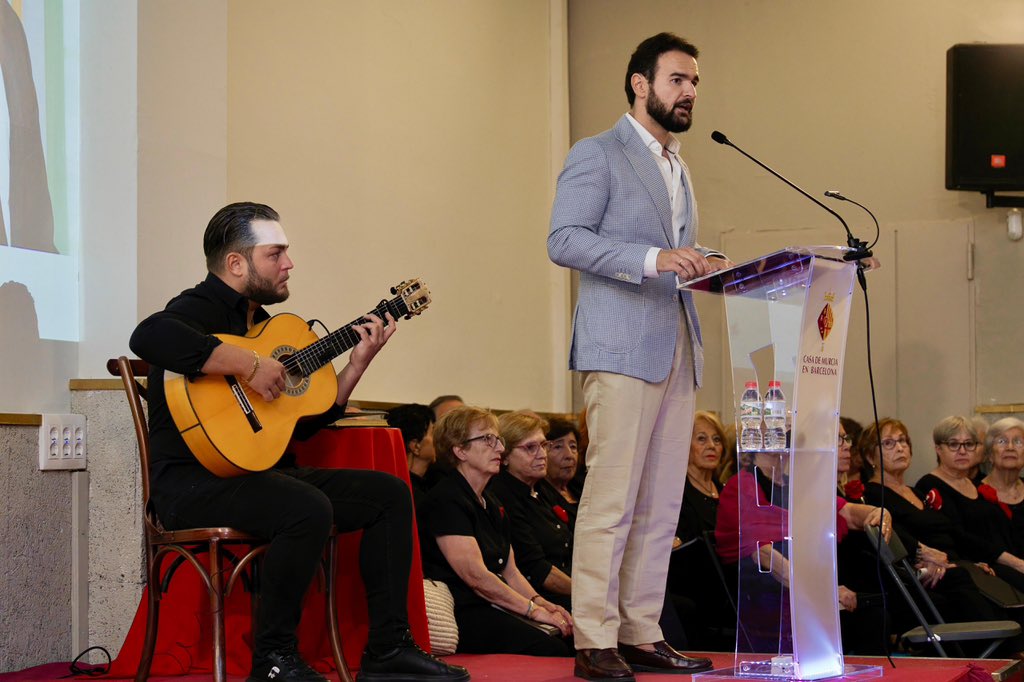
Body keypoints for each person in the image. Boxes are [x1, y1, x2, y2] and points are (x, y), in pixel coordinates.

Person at [129, 202, 469, 682]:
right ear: (235, 264)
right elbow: (148, 335)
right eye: (276, 254)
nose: (289, 264)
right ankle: (273, 658)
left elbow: (296, 422)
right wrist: (248, 365)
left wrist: (355, 365)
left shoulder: (264, 323)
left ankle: (388, 650)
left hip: (258, 475)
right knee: (304, 506)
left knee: (388, 494)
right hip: (191, 485)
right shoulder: (201, 306)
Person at [547, 32, 730, 680]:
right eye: (678, 79)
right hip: (621, 344)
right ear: (640, 83)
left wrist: (708, 264)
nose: (690, 93)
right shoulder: (597, 153)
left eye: (695, 82)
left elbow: (674, 252)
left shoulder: (678, 164)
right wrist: (655, 259)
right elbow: (564, 239)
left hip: (677, 344)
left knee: (659, 502)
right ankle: (593, 639)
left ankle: (641, 631)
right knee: (613, 498)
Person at [417, 406, 573, 656]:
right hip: (462, 611)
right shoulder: (446, 499)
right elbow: (476, 577)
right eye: (487, 439)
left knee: (571, 638)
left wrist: (543, 603)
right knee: (553, 648)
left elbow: (510, 570)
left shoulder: (491, 500)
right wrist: (534, 611)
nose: (500, 448)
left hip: (492, 604)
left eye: (498, 439)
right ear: (459, 450)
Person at [489, 411, 574, 608]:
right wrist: (590, 593)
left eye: (544, 445)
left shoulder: (540, 487)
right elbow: (537, 569)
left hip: (568, 586)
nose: (542, 454)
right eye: (530, 448)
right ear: (505, 456)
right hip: (538, 596)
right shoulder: (503, 496)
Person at [666, 411, 732, 651]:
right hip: (692, 584)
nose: (711, 446)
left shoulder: (727, 492)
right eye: (701, 439)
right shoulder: (675, 491)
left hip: (728, 579)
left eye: (716, 440)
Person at [386, 403, 441, 509]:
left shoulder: (434, 480)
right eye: (433, 432)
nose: (438, 438)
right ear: (415, 446)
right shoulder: (407, 495)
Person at [980, 418, 1024, 548]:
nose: (1010, 447)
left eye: (1018, 442)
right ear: (990, 455)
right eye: (1002, 441)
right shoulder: (974, 494)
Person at [544, 417, 581, 514]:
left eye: (573, 446)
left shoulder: (582, 487)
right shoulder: (540, 498)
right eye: (558, 447)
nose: (569, 455)